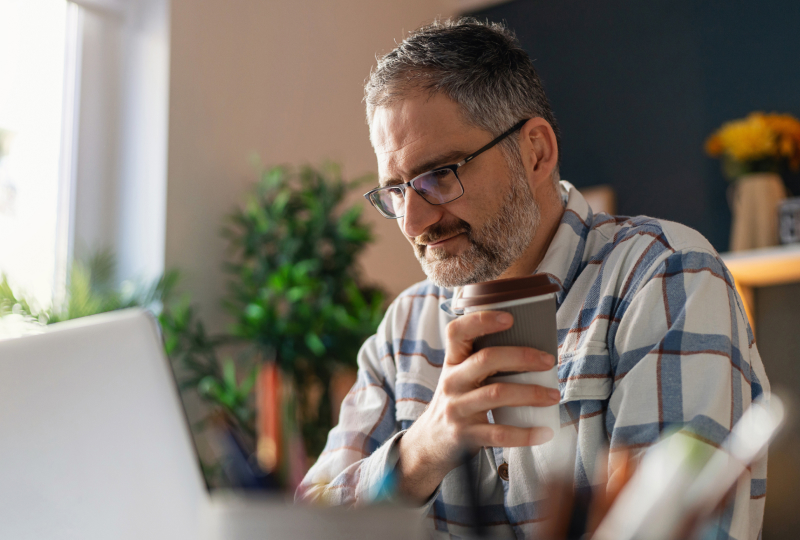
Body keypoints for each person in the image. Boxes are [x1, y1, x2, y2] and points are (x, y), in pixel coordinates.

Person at [297, 18, 769, 539]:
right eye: (396, 190)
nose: (413, 222)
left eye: (439, 176)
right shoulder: (404, 328)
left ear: (536, 152)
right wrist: (422, 449)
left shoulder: (664, 276)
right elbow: (304, 528)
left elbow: (669, 530)